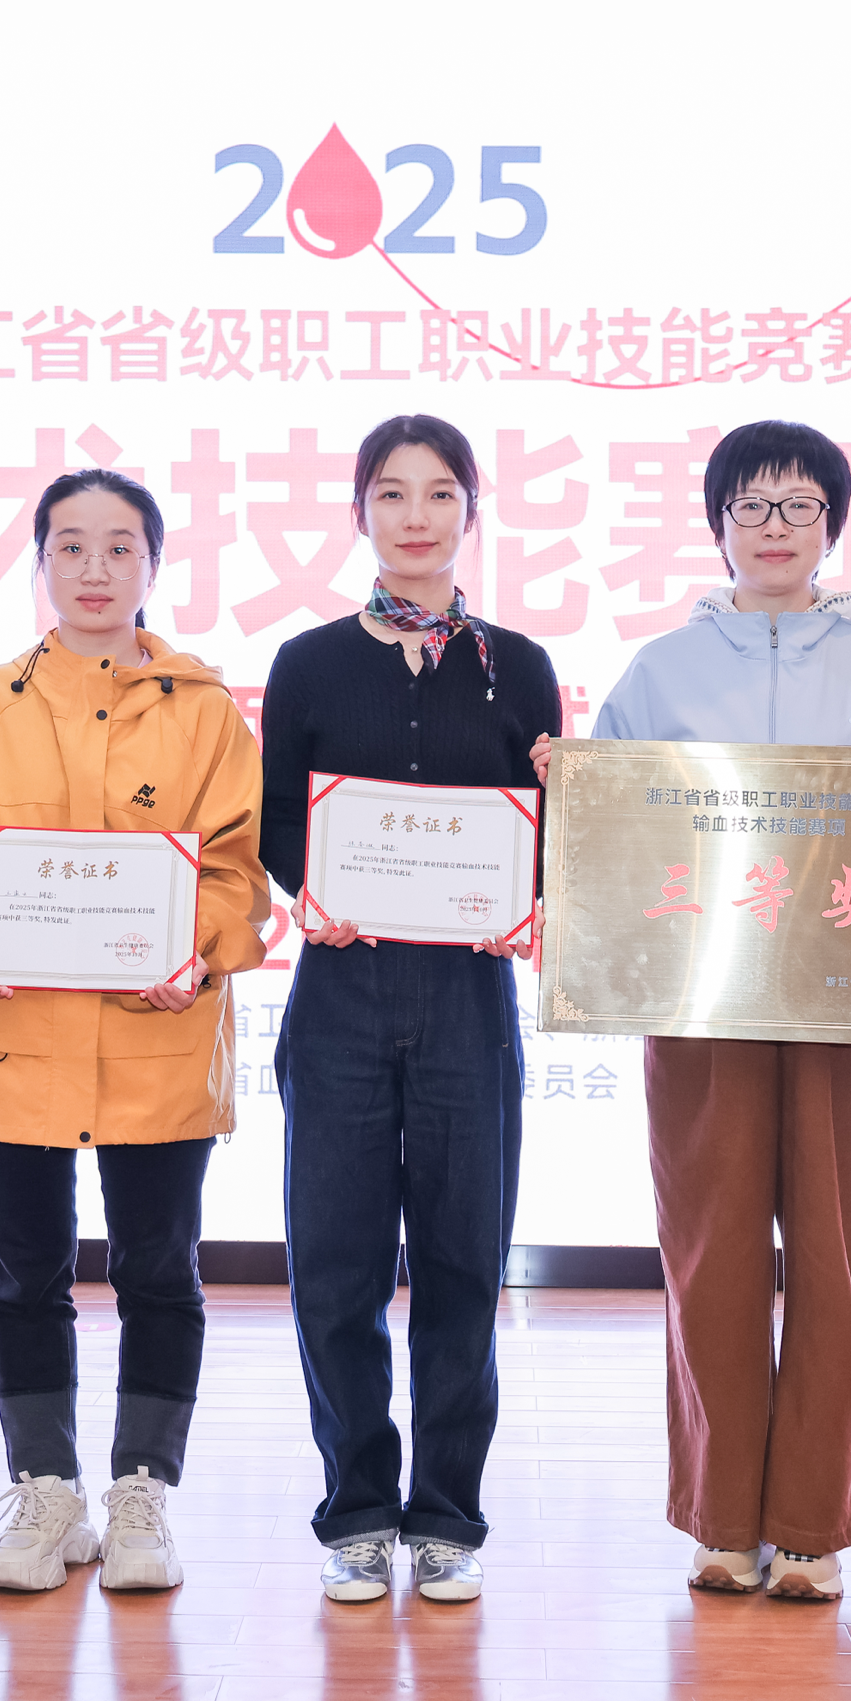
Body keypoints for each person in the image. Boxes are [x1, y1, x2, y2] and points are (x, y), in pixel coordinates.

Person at [549, 419, 851, 1602]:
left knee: (838, 1258)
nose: (775, 528)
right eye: (751, 506)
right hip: (701, 1006)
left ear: (832, 524)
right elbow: (611, 832)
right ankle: (722, 1519)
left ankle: (815, 1526)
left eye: (799, 506)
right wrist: (569, 783)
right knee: (711, 1257)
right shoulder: (661, 669)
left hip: (846, 1006)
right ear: (718, 524)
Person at [0, 470, 266, 1594]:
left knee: (159, 1272)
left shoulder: (205, 711)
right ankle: (46, 1489)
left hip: (159, 1037)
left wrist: (193, 948)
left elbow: (236, 871)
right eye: (71, 546)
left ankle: (142, 1491)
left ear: (154, 565)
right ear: (40, 563)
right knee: (24, 1277)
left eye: (120, 547)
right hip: (14, 1037)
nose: (96, 569)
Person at [260, 414, 562, 1606]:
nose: (417, 516)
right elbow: (280, 819)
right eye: (392, 493)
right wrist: (316, 889)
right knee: (332, 1264)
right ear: (359, 513)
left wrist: (536, 865)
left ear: (471, 513)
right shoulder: (308, 662)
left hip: (466, 996)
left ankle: (444, 1514)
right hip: (339, 987)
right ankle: (353, 1511)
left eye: (441, 494)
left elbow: (546, 830)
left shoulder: (517, 665)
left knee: (460, 1262)